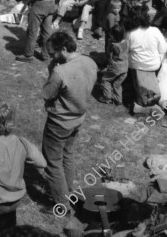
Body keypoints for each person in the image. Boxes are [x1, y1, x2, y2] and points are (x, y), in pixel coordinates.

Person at [41, 31, 97, 213]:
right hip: (78, 118)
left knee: (53, 161)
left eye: (53, 54)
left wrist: (51, 71)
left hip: (59, 122)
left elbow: (47, 94)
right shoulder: (90, 61)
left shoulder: (60, 71)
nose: (51, 57)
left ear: (63, 49)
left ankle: (61, 204)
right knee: (68, 154)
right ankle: (68, 190)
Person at [125, 6, 167, 114]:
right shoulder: (155, 30)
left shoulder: (130, 33)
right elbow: (163, 49)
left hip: (136, 65)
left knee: (131, 59)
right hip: (154, 65)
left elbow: (127, 50)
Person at [97, 24, 128, 105]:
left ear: (114, 36)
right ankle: (118, 100)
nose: (110, 36)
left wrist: (109, 44)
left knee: (105, 80)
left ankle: (107, 97)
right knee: (117, 84)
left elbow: (108, 54)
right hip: (125, 68)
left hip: (115, 68)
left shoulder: (114, 46)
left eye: (111, 35)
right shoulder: (126, 43)